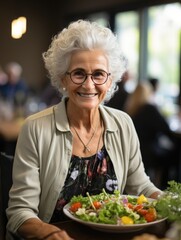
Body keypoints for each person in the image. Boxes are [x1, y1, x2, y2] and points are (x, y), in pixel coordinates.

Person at [6, 19, 162, 240]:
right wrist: (50, 233)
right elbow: (19, 213)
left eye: (98, 74)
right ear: (63, 79)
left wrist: (171, 204)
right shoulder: (35, 128)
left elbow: (141, 187)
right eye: (79, 73)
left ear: (110, 81)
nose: (89, 85)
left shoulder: (123, 123)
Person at [124, 82, 179, 189]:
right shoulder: (149, 108)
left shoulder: (130, 109)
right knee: (173, 154)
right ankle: (164, 185)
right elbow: (165, 128)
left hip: (134, 152)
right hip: (149, 153)